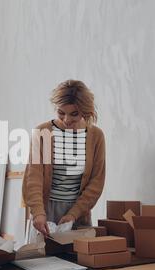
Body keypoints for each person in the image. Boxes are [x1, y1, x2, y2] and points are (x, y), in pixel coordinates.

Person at [22, 80, 106, 237]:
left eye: (74, 114)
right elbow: (33, 178)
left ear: (85, 111)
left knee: (75, 259)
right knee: (39, 259)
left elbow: (96, 182)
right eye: (61, 112)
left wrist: (74, 214)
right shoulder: (42, 132)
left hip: (78, 213)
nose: (66, 120)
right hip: (44, 212)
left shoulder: (96, 136)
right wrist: (38, 212)